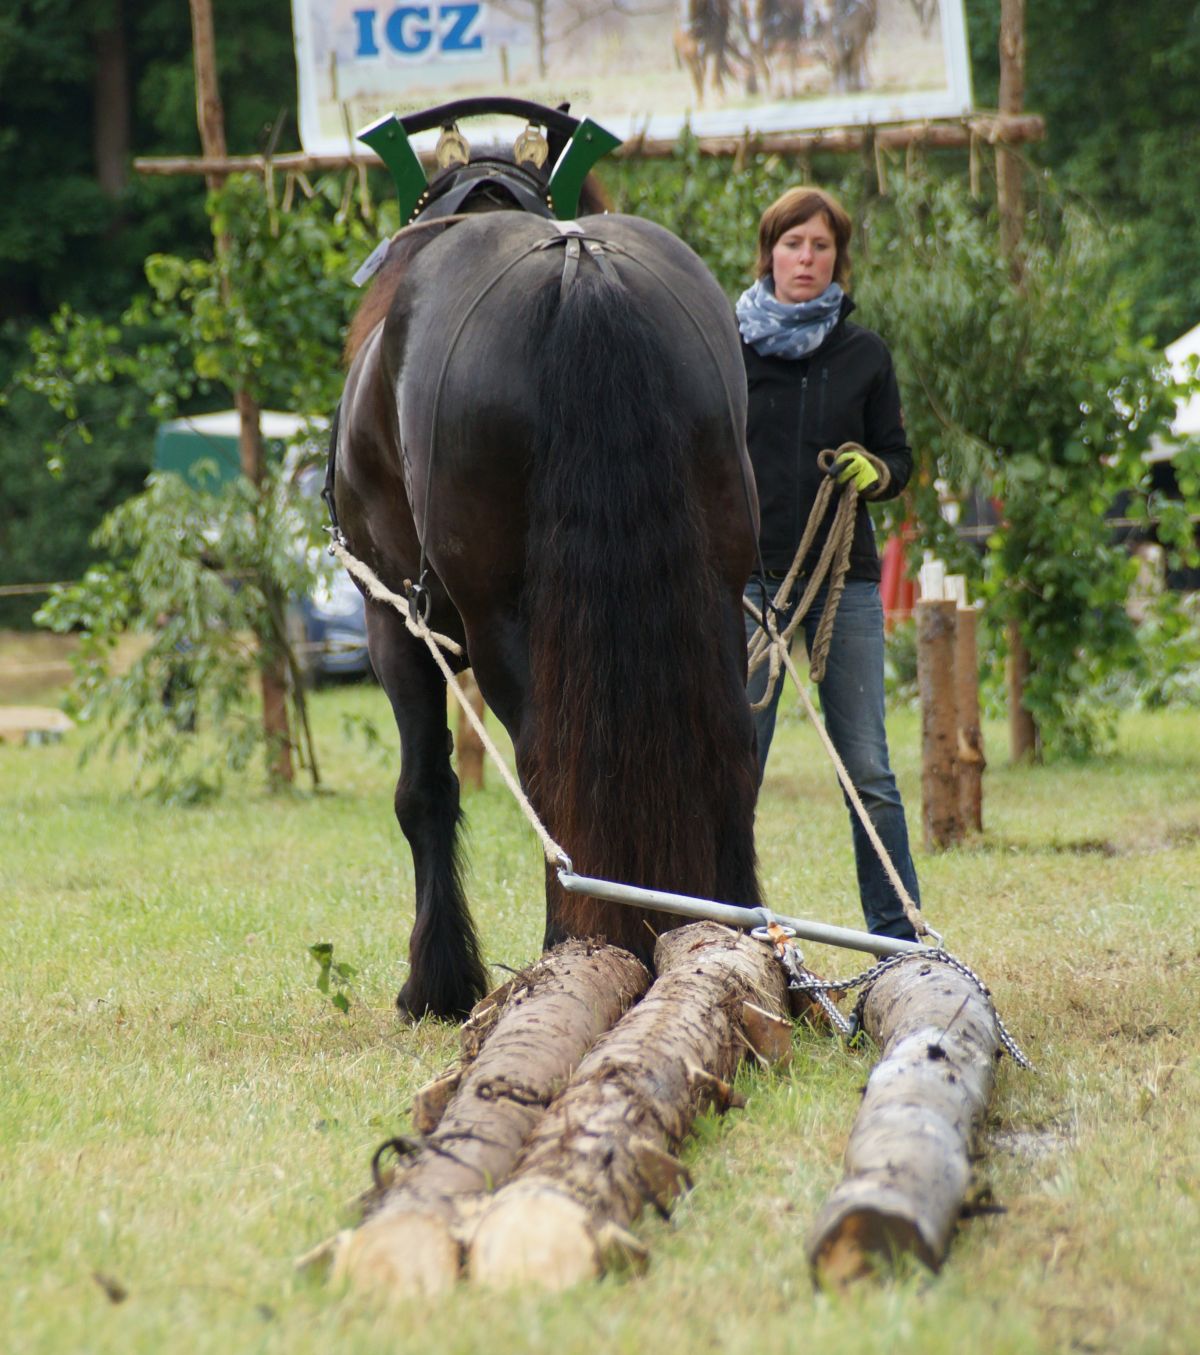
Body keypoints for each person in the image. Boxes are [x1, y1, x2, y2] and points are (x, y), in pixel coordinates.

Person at [736, 185, 920, 942]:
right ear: (768, 252)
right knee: (735, 767)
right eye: (791, 244)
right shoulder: (728, 344)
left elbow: (900, 458)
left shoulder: (863, 354)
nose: (804, 259)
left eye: (819, 247)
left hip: (841, 581)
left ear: (838, 258)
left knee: (868, 771)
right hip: (746, 584)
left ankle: (897, 933)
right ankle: (721, 923)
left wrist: (876, 473)